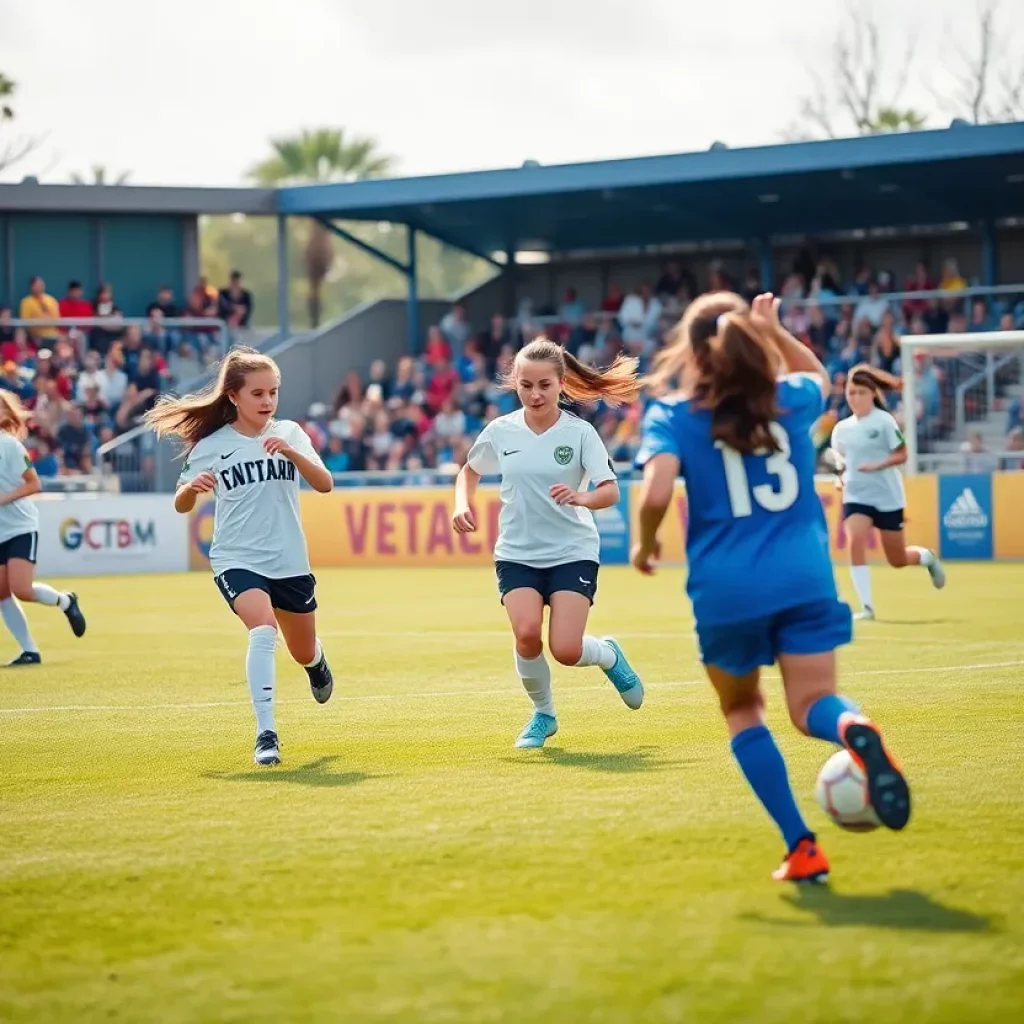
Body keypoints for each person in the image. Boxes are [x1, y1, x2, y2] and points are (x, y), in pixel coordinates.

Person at [632, 292, 911, 884]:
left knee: (742, 708)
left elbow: (655, 493)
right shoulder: (788, 400)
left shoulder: (674, 415)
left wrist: (645, 543)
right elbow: (818, 374)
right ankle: (852, 729)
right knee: (811, 705)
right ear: (749, 340)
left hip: (727, 589)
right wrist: (776, 330)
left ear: (691, 347)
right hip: (804, 575)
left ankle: (802, 846)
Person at [451, 338, 645, 750]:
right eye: (525, 385)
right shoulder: (501, 431)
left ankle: (608, 654)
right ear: (515, 385)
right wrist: (460, 505)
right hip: (517, 552)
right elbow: (468, 472)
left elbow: (610, 491)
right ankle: (543, 714)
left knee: (566, 649)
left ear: (562, 384)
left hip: (571, 550)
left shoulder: (579, 434)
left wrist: (583, 497)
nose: (535, 394)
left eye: (544, 385)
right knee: (526, 635)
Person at [145, 347, 335, 767]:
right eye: (257, 394)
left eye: (273, 392)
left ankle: (316, 661)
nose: (267, 402)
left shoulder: (291, 432)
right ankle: (266, 733)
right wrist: (190, 489)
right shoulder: (212, 446)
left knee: (300, 649)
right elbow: (180, 505)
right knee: (263, 629)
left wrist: (291, 452)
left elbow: (324, 484)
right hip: (236, 557)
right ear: (233, 396)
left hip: (289, 559)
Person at [830, 365, 945, 620]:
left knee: (897, 559)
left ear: (872, 394)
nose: (855, 398)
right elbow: (841, 463)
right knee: (855, 541)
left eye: (860, 392)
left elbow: (902, 454)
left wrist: (877, 465)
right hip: (857, 496)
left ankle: (926, 557)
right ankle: (867, 607)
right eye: (851, 393)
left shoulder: (884, 422)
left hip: (887, 497)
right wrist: (841, 478)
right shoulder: (841, 430)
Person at [0, 390, 86, 665]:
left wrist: (3, 499)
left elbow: (34, 484)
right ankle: (30, 650)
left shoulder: (10, 446)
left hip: (20, 526)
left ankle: (65, 601)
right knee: (1, 592)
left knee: (21, 589)